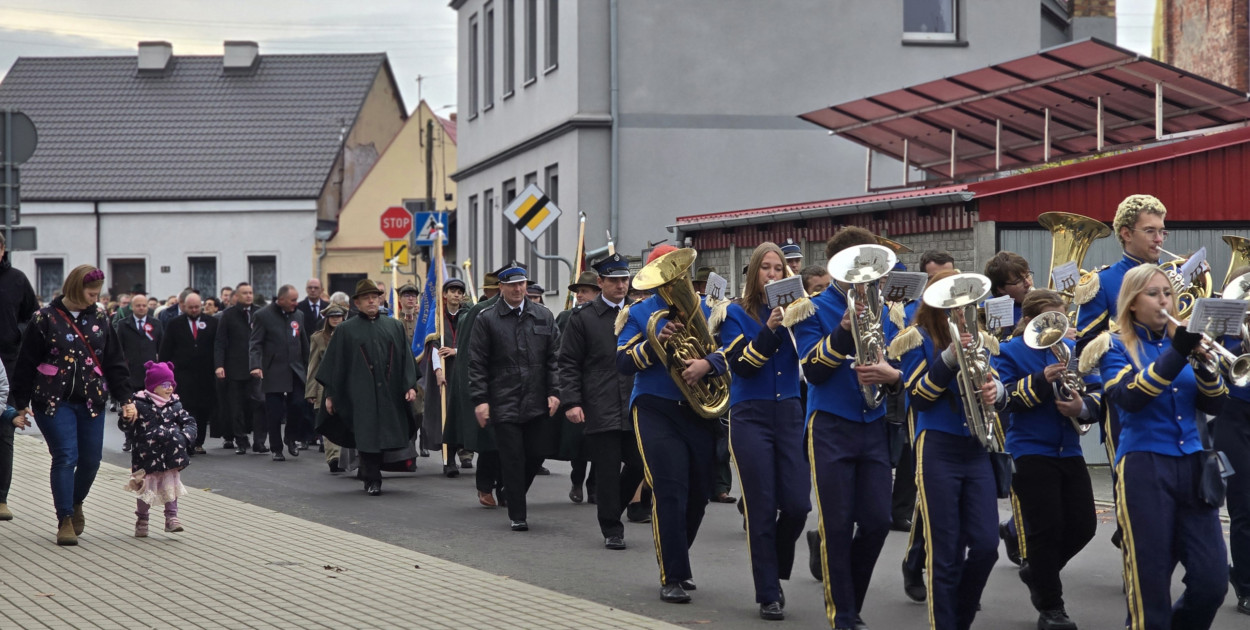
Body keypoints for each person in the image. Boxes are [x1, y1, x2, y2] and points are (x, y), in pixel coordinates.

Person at [1086, 264, 1228, 630]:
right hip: (1144, 466)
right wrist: (1178, 353)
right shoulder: (1113, 346)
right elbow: (1129, 397)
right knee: (1149, 585)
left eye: (1167, 292)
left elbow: (1215, 403)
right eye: (1152, 293)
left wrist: (1206, 366)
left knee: (1212, 582)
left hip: (1194, 465)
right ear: (1132, 303)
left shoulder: (1183, 344)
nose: (1164, 300)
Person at [794, 228, 900, 628]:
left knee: (877, 522)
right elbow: (812, 371)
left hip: (872, 424)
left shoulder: (884, 310)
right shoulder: (811, 309)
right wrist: (841, 331)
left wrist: (891, 374)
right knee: (837, 525)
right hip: (830, 424)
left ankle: (847, 595)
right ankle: (844, 614)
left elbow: (897, 363)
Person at [889, 269, 1004, 630]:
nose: (961, 310)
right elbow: (919, 398)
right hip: (937, 445)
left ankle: (960, 615)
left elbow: (998, 386)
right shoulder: (915, 339)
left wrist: (997, 392)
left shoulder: (982, 340)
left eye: (967, 303)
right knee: (946, 550)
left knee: (986, 545)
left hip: (976, 447)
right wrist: (949, 359)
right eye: (954, 304)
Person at [617, 244, 728, 604]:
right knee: (670, 488)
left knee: (698, 493)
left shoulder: (710, 308)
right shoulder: (638, 313)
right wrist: (654, 344)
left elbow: (731, 349)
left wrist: (708, 363)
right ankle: (674, 574)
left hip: (698, 410)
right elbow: (623, 361)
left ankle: (677, 556)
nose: (670, 283)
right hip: (655, 407)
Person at [994, 290, 1098, 630]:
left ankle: (1038, 571)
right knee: (1046, 529)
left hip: (1069, 449)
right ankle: (1052, 609)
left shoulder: (1071, 350)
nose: (1058, 327)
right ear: (1027, 321)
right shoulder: (1009, 351)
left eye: (1061, 319)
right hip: (1029, 449)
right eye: (1049, 321)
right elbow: (1004, 398)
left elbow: (1098, 390)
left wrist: (1081, 407)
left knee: (1084, 526)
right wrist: (1040, 380)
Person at [11, 265, 136, 546]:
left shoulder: (101, 318)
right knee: (66, 456)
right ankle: (65, 518)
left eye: (98, 294)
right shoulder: (44, 318)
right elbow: (26, 362)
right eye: (91, 294)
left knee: (91, 461)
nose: (95, 299)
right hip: (52, 401)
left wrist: (126, 399)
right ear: (76, 289)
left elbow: (114, 362)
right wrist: (20, 402)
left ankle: (76, 501)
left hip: (92, 400)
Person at [723, 242, 811, 621]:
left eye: (779, 268)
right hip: (750, 415)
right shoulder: (733, 313)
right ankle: (768, 591)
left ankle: (773, 562)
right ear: (754, 272)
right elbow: (742, 365)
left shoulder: (799, 311)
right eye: (766, 268)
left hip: (789, 412)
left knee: (798, 505)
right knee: (760, 506)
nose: (773, 274)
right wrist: (771, 328)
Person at [470, 262, 561, 531]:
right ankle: (518, 514)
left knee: (537, 453)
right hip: (503, 399)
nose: (518, 289)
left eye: (521, 284)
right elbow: (477, 363)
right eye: (512, 285)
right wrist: (481, 399)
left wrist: (555, 391)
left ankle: (510, 490)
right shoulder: (487, 318)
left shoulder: (543, 315)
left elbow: (554, 358)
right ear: (501, 287)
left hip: (537, 399)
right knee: (512, 457)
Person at [557, 254, 640, 549]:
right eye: (614, 280)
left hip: (635, 403)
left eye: (624, 279)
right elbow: (568, 363)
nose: (621, 285)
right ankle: (612, 529)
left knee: (640, 464)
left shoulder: (638, 312)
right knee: (606, 470)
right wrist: (572, 402)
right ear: (601, 282)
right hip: (599, 403)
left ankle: (612, 509)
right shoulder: (584, 317)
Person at [314, 280, 418, 495]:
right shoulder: (345, 330)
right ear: (357, 303)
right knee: (366, 434)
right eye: (366, 298)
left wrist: (410, 385)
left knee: (385, 434)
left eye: (374, 297)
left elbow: (405, 358)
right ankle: (373, 478)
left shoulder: (394, 326)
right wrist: (330, 395)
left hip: (389, 392)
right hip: (360, 394)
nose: (371, 301)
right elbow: (335, 365)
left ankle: (368, 470)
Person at [445, 271, 505, 507]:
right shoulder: (479, 312)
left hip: (517, 387)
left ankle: (506, 487)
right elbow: (468, 354)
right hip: (490, 386)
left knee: (513, 445)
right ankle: (486, 486)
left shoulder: (531, 311)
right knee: (491, 443)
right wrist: (473, 389)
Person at [121, 361, 197, 537]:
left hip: (171, 456)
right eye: (165, 384)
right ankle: (142, 519)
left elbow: (189, 422)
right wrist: (126, 420)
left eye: (171, 384)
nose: (169, 388)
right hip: (146, 456)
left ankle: (172, 518)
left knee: (170, 486)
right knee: (146, 489)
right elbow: (127, 427)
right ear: (153, 386)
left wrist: (184, 437)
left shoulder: (175, 405)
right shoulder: (139, 404)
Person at [0, 231, 39, 521]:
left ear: (2, 249)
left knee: (5, 432)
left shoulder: (17, 279)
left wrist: (16, 334)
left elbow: (32, 318)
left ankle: (1, 498)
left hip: (8, 363)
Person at [249, 285, 310, 462]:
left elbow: (304, 342)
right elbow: (255, 343)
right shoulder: (263, 315)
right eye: (293, 300)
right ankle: (276, 448)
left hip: (296, 369)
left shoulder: (299, 315)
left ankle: (291, 438)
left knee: (298, 404)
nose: (296, 303)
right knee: (274, 412)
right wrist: (255, 365)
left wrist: (309, 367)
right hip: (273, 370)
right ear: (281, 300)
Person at [556, 270, 601, 503]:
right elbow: (559, 351)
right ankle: (577, 480)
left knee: (601, 440)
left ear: (597, 293)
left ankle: (594, 485)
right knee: (578, 438)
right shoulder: (567, 317)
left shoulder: (611, 316)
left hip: (600, 387)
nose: (580, 295)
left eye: (585, 291)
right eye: (578, 292)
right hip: (576, 384)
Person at [158, 292, 217, 456]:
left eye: (197, 307)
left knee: (203, 409)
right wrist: (164, 372)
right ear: (184, 306)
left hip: (205, 374)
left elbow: (217, 347)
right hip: (182, 375)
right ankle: (186, 441)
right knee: (185, 409)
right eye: (191, 307)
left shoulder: (212, 322)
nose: (194, 310)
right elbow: (166, 349)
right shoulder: (175, 324)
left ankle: (199, 442)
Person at [425, 279, 468, 476]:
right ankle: (448, 459)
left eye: (459, 291)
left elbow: (474, 341)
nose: (456, 294)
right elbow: (434, 345)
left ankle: (465, 453)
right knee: (446, 413)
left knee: (463, 413)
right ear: (445, 295)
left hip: (465, 371)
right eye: (452, 291)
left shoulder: (468, 316)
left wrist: (455, 351)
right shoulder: (437, 318)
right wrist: (438, 371)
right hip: (446, 372)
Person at [215, 282, 264, 454]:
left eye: (250, 292)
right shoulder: (228, 315)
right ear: (237, 296)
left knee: (259, 403)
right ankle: (241, 440)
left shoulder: (260, 313)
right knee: (236, 407)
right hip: (235, 367)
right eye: (245, 293)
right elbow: (220, 342)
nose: (249, 296)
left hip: (256, 367)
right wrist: (219, 365)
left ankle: (259, 441)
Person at [115, 291, 163, 453]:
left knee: (150, 408)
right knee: (130, 406)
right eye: (138, 305)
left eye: (144, 305)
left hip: (150, 374)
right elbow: (118, 348)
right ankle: (129, 437)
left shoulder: (156, 324)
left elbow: (161, 347)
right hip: (130, 373)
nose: (142, 308)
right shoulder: (124, 324)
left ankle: (148, 437)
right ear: (132, 307)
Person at [306, 303, 347, 472]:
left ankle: (345, 457)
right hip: (325, 385)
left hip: (345, 385)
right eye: (332, 317)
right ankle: (333, 458)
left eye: (338, 316)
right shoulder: (318, 338)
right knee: (328, 421)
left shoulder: (350, 334)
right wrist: (311, 391)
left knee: (345, 422)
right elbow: (313, 365)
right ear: (327, 319)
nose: (336, 319)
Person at [984, 251, 1034, 339]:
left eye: (1027, 276)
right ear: (1001, 288)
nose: (1028, 283)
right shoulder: (986, 312)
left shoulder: (1040, 302)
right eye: (1018, 281)